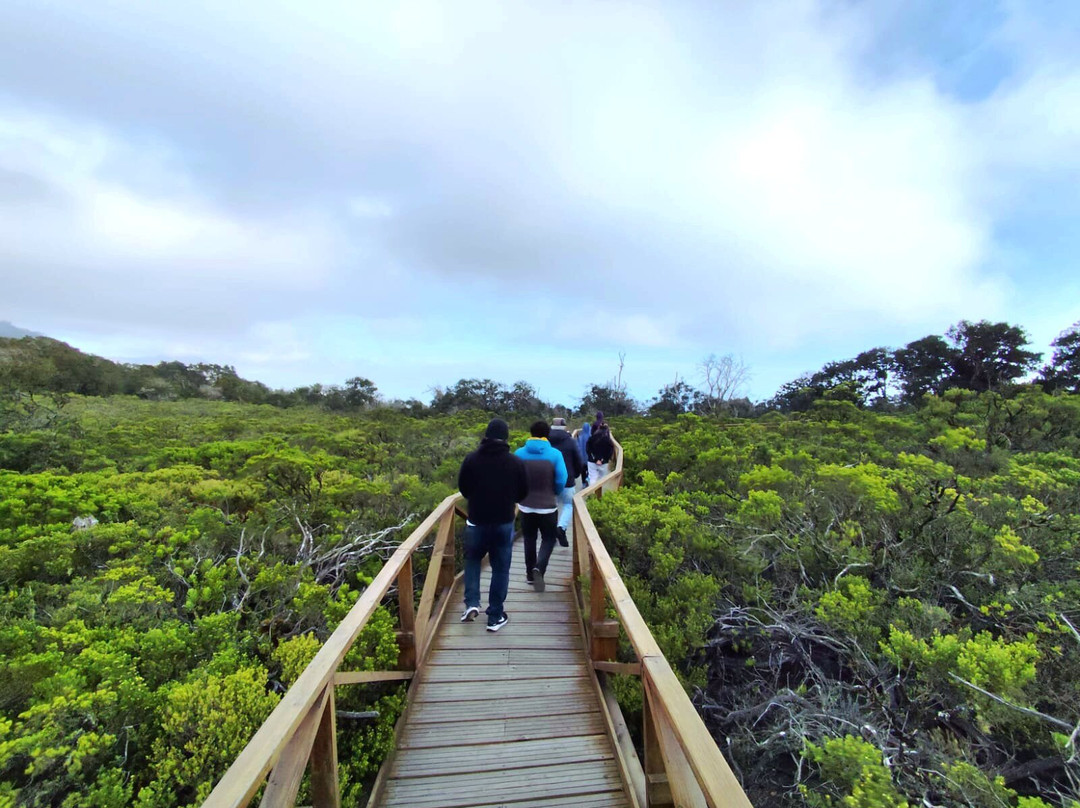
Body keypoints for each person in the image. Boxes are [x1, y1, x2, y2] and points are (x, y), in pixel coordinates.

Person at [457, 418, 528, 632]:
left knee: (472, 561)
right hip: (503, 522)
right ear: (506, 437)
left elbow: (463, 488)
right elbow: (523, 492)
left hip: (476, 521)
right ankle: (495, 616)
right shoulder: (515, 462)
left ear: (486, 435)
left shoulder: (471, 459)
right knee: (500, 569)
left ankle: (471, 603)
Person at [514, 420, 567, 593]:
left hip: (525, 505)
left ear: (530, 433)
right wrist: (555, 492)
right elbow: (561, 479)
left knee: (529, 539)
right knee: (549, 539)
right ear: (547, 434)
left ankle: (530, 574)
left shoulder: (519, 453)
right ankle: (540, 568)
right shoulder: (555, 454)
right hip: (548, 506)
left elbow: (514, 477)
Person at [547, 417, 584, 547]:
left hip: (549, 480)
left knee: (553, 506)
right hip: (568, 480)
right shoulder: (570, 441)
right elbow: (578, 459)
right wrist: (577, 473)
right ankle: (561, 527)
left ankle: (551, 533)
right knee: (568, 505)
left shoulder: (546, 440)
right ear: (564, 427)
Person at [586, 418, 615, 485]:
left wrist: (595, 459)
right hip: (604, 462)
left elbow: (588, 449)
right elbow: (610, 451)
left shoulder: (591, 438)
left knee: (592, 478)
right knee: (602, 478)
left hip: (592, 461)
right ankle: (599, 494)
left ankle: (591, 493)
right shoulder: (608, 440)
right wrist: (602, 459)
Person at [576, 420, 592, 488]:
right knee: (590, 470)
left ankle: (583, 483)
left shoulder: (580, 437)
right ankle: (588, 480)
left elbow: (577, 447)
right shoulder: (591, 437)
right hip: (589, 458)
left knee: (583, 471)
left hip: (581, 458)